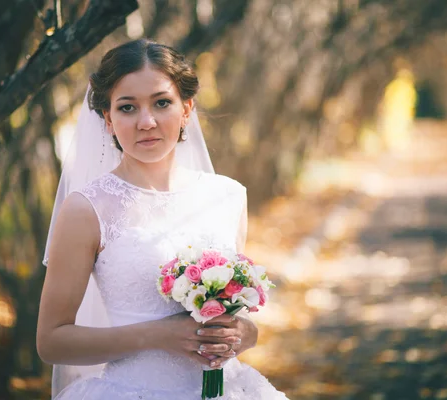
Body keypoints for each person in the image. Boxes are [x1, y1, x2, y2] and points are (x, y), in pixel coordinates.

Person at [37, 39, 288, 399]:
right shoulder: (86, 209)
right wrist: (155, 335)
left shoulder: (229, 196)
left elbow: (241, 320)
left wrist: (242, 334)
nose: (146, 122)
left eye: (162, 103)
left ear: (187, 109)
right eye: (127, 108)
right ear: (108, 118)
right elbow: (51, 342)